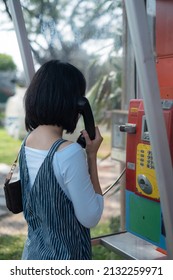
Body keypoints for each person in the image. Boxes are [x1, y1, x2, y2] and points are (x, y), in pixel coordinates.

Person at [19, 60, 104, 260]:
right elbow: (91, 216)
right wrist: (91, 156)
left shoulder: (27, 142)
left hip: (34, 254)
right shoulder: (69, 153)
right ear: (76, 103)